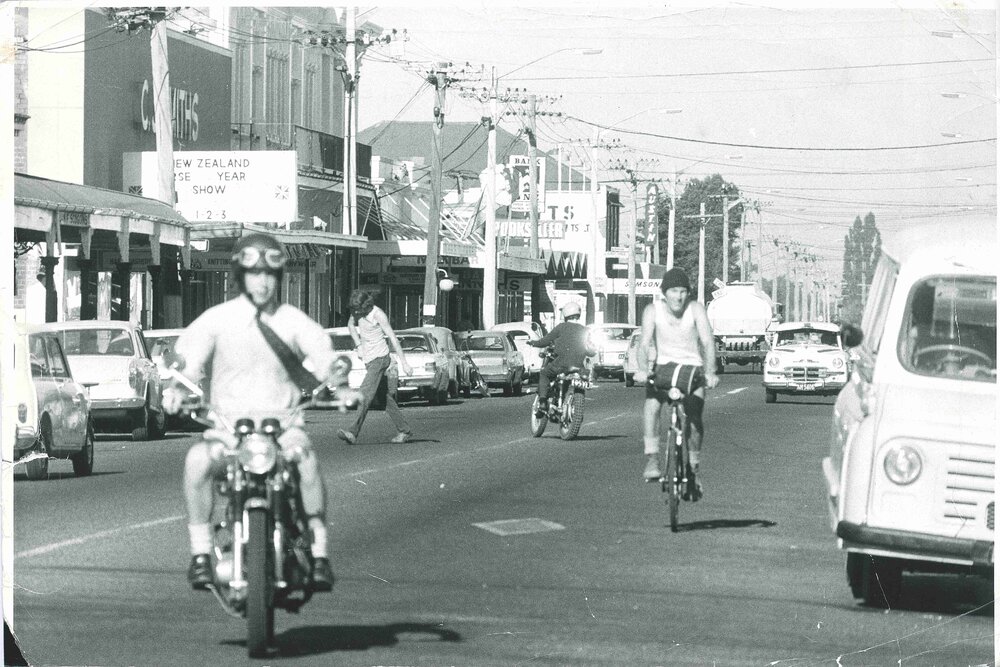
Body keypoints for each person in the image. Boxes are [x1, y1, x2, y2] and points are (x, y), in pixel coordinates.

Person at [162, 232, 339, 591]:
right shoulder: (217, 320)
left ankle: (319, 555)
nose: (262, 281)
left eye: (270, 274)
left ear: (279, 277)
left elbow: (325, 360)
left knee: (305, 461)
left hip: (284, 428)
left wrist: (340, 385)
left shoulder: (294, 321)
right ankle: (200, 555)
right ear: (240, 277)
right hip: (227, 432)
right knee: (196, 461)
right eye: (254, 273)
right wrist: (177, 391)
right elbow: (186, 362)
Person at [635, 267, 720, 490]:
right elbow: (644, 344)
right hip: (664, 367)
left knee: (694, 414)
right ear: (664, 293)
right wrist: (643, 369)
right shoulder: (652, 311)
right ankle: (652, 459)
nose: (679, 296)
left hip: (693, 369)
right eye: (673, 290)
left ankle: (693, 468)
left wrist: (710, 372)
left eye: (683, 291)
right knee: (651, 406)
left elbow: (708, 342)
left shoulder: (696, 310)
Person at [336, 289, 413, 445]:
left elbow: (393, 338)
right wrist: (358, 345)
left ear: (366, 305)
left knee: (365, 394)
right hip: (369, 360)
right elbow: (350, 325)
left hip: (380, 358)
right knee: (384, 399)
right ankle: (404, 430)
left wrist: (404, 363)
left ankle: (352, 432)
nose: (356, 313)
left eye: (358, 310)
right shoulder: (358, 311)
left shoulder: (378, 315)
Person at [527, 301, 595, 413]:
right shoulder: (585, 330)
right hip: (579, 367)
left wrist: (533, 343)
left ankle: (543, 401)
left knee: (544, 373)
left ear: (565, 314)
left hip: (561, 364)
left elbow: (545, 341)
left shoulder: (561, 327)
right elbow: (591, 351)